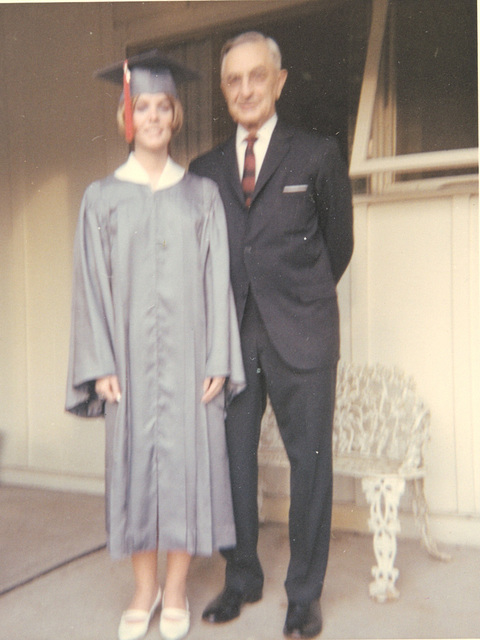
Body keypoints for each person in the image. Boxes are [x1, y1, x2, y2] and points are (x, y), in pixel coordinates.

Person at [66, 50, 246, 640]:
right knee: (138, 473)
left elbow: (217, 280)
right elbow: (90, 286)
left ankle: (174, 592)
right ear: (127, 116)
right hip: (128, 365)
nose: (152, 117)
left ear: (176, 116)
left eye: (162, 107)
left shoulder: (201, 196)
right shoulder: (101, 199)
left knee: (190, 470)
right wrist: (98, 364)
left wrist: (219, 354)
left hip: (193, 358)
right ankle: (143, 589)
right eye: (140, 107)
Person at [189, 32, 354, 638]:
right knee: (233, 462)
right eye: (233, 80)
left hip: (303, 335)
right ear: (225, 89)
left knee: (309, 464)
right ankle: (242, 578)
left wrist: (300, 300)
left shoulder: (316, 155)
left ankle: (304, 593)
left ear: (279, 82)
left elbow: (339, 247)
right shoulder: (203, 170)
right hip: (232, 338)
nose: (245, 89)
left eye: (257, 76)